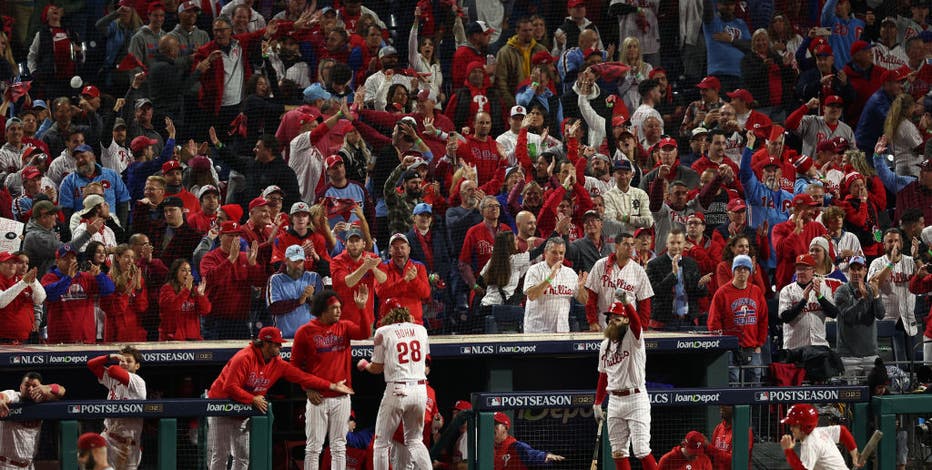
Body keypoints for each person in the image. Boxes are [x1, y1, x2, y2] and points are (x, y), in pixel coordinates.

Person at [206, 326, 354, 470]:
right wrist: (253, 399)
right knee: (220, 455)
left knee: (242, 456)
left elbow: (303, 377)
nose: (280, 348)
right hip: (222, 406)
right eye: (277, 344)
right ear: (265, 343)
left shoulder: (278, 364)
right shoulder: (244, 358)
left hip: (244, 409)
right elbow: (230, 386)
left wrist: (331, 386)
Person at [292, 290, 371, 470]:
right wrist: (307, 388)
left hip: (341, 398)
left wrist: (362, 308)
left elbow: (365, 333)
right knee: (313, 447)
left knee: (338, 447)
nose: (338, 311)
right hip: (317, 398)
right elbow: (294, 366)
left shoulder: (344, 327)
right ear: (322, 309)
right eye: (334, 308)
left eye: (339, 308)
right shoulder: (304, 332)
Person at [356, 302, 432, 470]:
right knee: (415, 441)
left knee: (381, 443)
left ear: (385, 315)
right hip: (420, 388)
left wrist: (364, 365)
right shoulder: (421, 330)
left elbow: (376, 367)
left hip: (398, 388)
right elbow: (424, 358)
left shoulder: (382, 332)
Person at [593, 299, 659, 470]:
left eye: (617, 318)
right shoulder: (604, 345)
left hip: (636, 399)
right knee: (618, 452)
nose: (612, 321)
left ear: (626, 320)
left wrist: (627, 303)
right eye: (611, 317)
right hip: (614, 401)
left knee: (642, 450)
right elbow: (603, 375)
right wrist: (598, 402)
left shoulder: (634, 337)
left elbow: (637, 322)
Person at [708, 255, 767, 384]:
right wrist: (721, 344)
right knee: (731, 380)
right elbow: (713, 321)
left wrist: (759, 344)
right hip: (729, 347)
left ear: (750, 271)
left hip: (752, 346)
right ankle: (730, 405)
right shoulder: (722, 293)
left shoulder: (756, 291)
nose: (742, 272)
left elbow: (763, 319)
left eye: (745, 269)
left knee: (754, 380)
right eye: (738, 268)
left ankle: (753, 406)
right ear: (733, 271)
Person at [41, 244, 116, 344]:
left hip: (86, 338)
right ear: (57, 261)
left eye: (72, 258)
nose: (70, 261)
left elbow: (109, 290)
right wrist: (68, 278)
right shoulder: (49, 278)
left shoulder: (86, 277)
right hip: (59, 340)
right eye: (65, 258)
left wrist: (99, 275)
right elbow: (51, 295)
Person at [87, 346, 146, 470]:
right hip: (108, 438)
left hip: (129, 445)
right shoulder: (113, 379)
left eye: (128, 361)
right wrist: (109, 357)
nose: (124, 363)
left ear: (137, 366)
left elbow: (113, 370)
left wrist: (118, 362)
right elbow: (91, 364)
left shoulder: (138, 382)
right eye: (122, 360)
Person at [867, 228, 919, 364]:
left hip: (908, 318)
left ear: (901, 244)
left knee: (913, 361)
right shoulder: (877, 263)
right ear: (884, 245)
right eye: (890, 241)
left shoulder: (910, 261)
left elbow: (925, 277)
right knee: (892, 362)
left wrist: (917, 257)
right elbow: (874, 283)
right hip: (887, 319)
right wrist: (891, 263)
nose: (894, 244)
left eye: (896, 240)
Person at [586, 233, 655, 331]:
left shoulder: (638, 270)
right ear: (616, 246)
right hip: (604, 323)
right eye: (626, 244)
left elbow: (645, 302)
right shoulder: (600, 265)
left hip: (628, 323)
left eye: (632, 244)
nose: (630, 248)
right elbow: (591, 297)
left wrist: (642, 327)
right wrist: (592, 321)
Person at [0, 372, 67, 469]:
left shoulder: (41, 401)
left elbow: (62, 390)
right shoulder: (14, 396)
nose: (30, 389)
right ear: (21, 387)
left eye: (35, 386)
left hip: (29, 465)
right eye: (27, 385)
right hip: (5, 464)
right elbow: (3, 396)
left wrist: (48, 388)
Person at [834, 255, 885, 380]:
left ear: (865, 271)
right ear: (849, 271)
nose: (856, 272)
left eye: (859, 269)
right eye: (853, 269)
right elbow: (848, 317)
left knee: (872, 393)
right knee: (849, 396)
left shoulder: (872, 289)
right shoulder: (841, 291)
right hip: (848, 356)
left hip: (870, 354)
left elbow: (880, 314)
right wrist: (862, 299)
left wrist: (876, 293)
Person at [646, 230, 708, 330]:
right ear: (666, 244)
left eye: (679, 243)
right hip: (663, 320)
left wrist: (701, 285)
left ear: (684, 244)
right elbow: (654, 292)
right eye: (672, 243)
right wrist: (673, 274)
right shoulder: (654, 264)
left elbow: (700, 294)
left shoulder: (692, 264)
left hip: (688, 320)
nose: (676, 246)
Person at [523, 237, 588, 333]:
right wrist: (550, 277)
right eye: (554, 252)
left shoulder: (570, 273)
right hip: (537, 330)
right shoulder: (534, 270)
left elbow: (584, 301)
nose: (558, 256)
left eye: (561, 253)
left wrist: (581, 288)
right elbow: (531, 295)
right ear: (545, 253)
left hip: (562, 331)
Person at [778, 254, 839, 350]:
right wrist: (803, 301)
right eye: (798, 269)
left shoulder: (823, 288)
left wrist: (820, 297)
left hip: (819, 346)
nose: (800, 272)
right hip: (795, 348)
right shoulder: (787, 290)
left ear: (813, 271)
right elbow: (785, 317)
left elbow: (834, 313)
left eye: (804, 269)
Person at [266, 245, 324, 338]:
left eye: (300, 261)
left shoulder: (314, 277)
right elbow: (274, 307)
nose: (298, 265)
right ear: (286, 260)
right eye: (295, 261)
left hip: (311, 336)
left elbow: (322, 308)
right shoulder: (275, 279)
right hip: (284, 337)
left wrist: (311, 298)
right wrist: (298, 301)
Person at [780, 404, 860, 469]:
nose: (791, 429)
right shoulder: (818, 431)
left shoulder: (810, 443)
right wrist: (854, 455)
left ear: (805, 426)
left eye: (794, 425)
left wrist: (788, 451)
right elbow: (843, 432)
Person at [159, 258, 211, 340]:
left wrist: (201, 295)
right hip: (172, 339)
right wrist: (186, 290)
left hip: (193, 338)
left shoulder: (194, 290)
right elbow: (173, 306)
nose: (187, 274)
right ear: (175, 272)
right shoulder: (166, 289)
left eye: (189, 270)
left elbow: (206, 310)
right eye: (183, 270)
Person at [491, 412, 565, 468]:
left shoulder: (515, 446)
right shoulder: (488, 446)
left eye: (495, 424)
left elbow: (530, 453)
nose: (491, 426)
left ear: (506, 427)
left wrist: (545, 456)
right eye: (490, 423)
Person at [0, 253, 45, 344]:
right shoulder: (21, 282)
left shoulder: (21, 279)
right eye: (8, 262)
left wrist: (32, 282)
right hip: (3, 337)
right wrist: (24, 283)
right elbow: (1, 302)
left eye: (14, 262)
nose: (12, 265)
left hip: (25, 337)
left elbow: (40, 298)